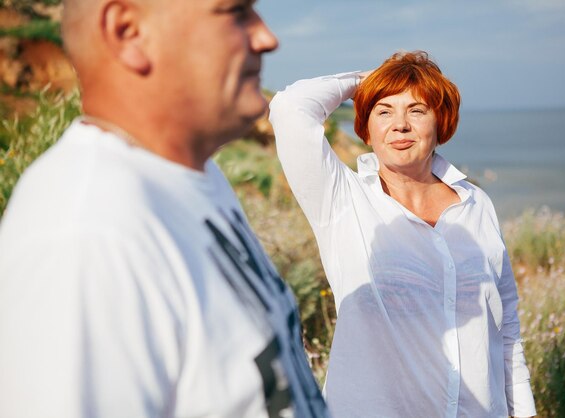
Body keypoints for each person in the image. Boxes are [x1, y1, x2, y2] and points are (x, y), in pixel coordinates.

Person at [0, 1, 330, 417]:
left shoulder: (193, 176)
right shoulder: (86, 232)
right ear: (128, 33)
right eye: (235, 12)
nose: (267, 37)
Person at [269, 51, 536, 417]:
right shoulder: (341, 199)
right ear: (365, 128)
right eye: (384, 111)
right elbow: (289, 108)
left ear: (440, 122)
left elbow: (506, 328)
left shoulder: (477, 205)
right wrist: (368, 80)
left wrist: (522, 411)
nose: (400, 125)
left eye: (416, 110)